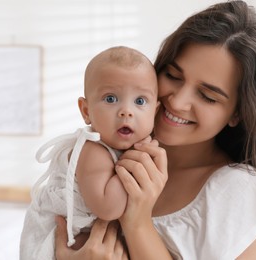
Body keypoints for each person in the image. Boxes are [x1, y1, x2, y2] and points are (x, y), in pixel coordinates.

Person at [55, 1, 256, 259]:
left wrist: (137, 222)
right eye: (173, 75)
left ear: (237, 113)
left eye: (207, 96)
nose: (178, 101)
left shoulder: (238, 195)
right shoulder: (101, 149)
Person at [20, 46, 159, 260]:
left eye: (140, 101)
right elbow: (108, 209)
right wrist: (135, 159)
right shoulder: (93, 150)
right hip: (55, 241)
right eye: (111, 99)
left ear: (155, 112)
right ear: (86, 111)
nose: (126, 111)